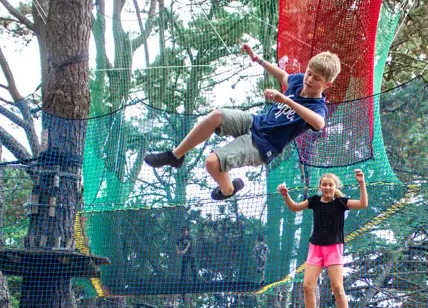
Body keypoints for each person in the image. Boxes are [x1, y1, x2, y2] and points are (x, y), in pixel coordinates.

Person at [144, 44, 340, 201]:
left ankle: (228, 189)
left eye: (317, 79)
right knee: (216, 116)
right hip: (256, 122)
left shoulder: (317, 107)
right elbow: (284, 76)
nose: (310, 79)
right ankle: (175, 156)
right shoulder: (299, 81)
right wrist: (258, 59)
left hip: (263, 146)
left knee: (211, 162)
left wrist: (286, 100)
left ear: (327, 84)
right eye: (309, 73)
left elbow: (319, 123)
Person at [277, 169, 368, 308]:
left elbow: (363, 204)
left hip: (333, 248)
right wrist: (285, 195)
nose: (327, 187)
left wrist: (361, 183)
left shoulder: (341, 202)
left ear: (335, 187)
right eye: (324, 185)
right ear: (320, 187)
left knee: (337, 287)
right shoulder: (314, 201)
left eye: (330, 185)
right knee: (307, 286)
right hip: (315, 248)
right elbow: (295, 208)